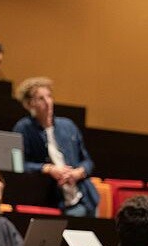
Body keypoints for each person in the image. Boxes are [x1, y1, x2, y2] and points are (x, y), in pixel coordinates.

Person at [13, 77, 99, 217]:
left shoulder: (68, 126)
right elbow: (18, 164)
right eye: (41, 98)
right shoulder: (24, 128)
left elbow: (87, 161)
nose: (48, 102)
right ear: (29, 104)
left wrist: (79, 172)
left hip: (86, 198)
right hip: (56, 201)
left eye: (49, 96)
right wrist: (48, 169)